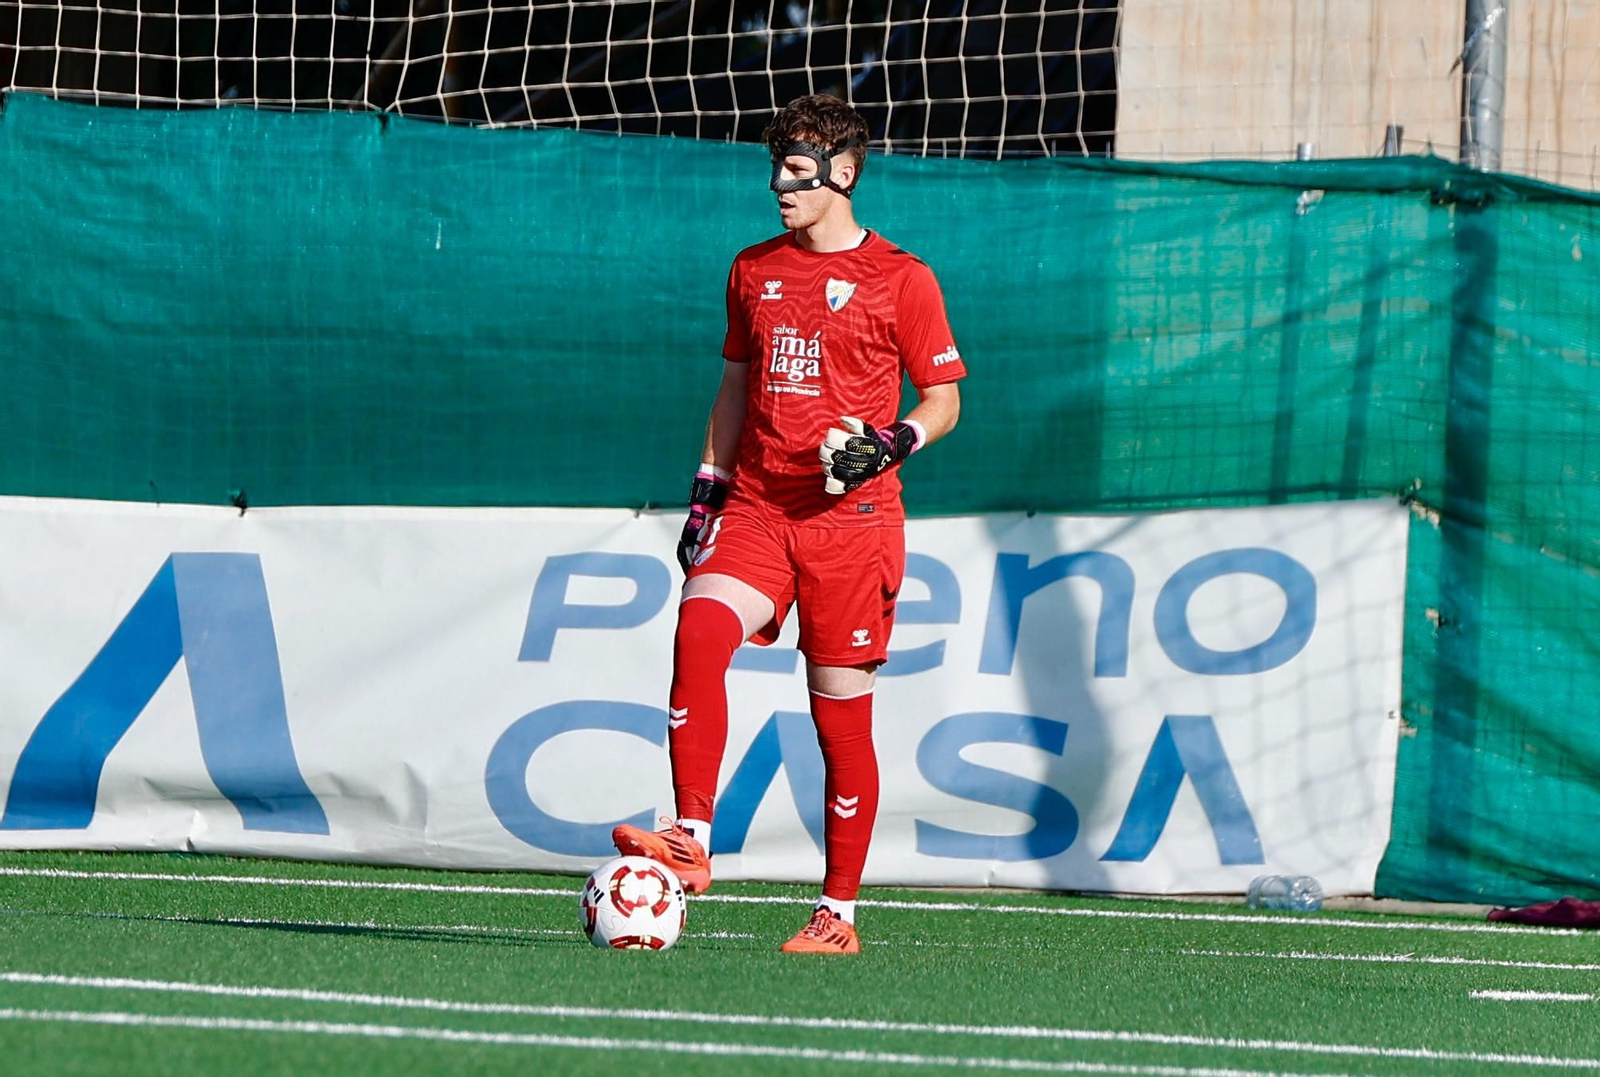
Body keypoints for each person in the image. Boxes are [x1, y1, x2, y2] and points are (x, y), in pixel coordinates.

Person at [613, 93, 966, 954]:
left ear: (843, 174)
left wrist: (893, 443)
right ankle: (691, 838)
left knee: (840, 721)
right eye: (775, 169)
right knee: (699, 627)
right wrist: (707, 489)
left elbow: (945, 400)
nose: (779, 184)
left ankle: (837, 912)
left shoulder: (904, 278)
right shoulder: (751, 269)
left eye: (798, 171)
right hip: (761, 507)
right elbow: (735, 386)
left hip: (856, 526)